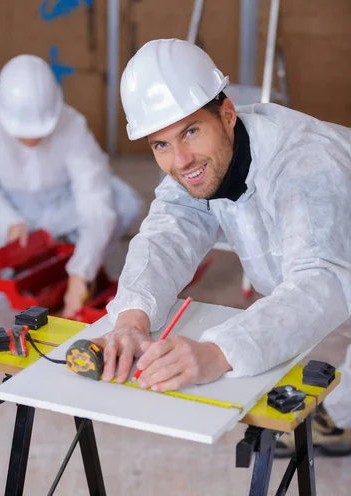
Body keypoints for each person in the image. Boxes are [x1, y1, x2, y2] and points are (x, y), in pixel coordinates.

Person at [96, 38, 351, 455]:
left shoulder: (307, 163)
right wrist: (132, 317)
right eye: (161, 144)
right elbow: (168, 232)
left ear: (227, 114)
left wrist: (221, 350)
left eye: (190, 132)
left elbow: (321, 282)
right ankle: (338, 421)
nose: (180, 161)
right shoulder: (207, 164)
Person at [0, 54, 143, 317]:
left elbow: (93, 196)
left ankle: (71, 254)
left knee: (122, 204)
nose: (32, 140)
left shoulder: (73, 126)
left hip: (63, 204)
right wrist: (7, 222)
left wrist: (82, 272)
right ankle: (62, 251)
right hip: (15, 214)